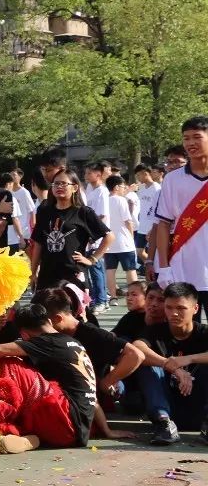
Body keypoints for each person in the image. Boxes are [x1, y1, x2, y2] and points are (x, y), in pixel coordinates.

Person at [0, 304, 97, 450]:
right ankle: (32, 439)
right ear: (48, 320)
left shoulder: (48, 342)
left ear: (24, 334)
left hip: (66, 422)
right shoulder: (71, 341)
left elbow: (0, 349)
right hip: (78, 431)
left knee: (8, 363)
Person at [31, 287, 142, 439]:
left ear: (56, 319)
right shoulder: (50, 336)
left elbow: (135, 355)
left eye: (43, 324)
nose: (41, 330)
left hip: (83, 405)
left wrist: (106, 381)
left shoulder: (92, 335)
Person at [134, 282, 208, 445]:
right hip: (167, 407)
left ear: (195, 309)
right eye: (169, 307)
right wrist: (170, 365)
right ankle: (164, 425)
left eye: (181, 308)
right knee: (146, 364)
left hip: (200, 406)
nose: (174, 313)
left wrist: (189, 359)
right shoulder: (156, 331)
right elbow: (137, 348)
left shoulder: (203, 332)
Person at [153, 116, 208, 318]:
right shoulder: (173, 179)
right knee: (184, 333)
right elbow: (163, 224)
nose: (191, 143)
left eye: (197, 137)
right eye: (186, 138)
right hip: (183, 271)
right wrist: (164, 267)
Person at [30, 170, 112, 293]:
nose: (59, 187)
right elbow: (38, 243)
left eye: (64, 184)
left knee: (74, 311)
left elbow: (109, 237)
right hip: (47, 274)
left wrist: (92, 259)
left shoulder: (84, 212)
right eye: (56, 184)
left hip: (73, 274)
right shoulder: (44, 211)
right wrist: (33, 272)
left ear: (74, 187)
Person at [82, 162, 113, 312]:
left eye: (89, 173)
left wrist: (93, 234)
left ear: (98, 175)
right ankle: (96, 298)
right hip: (89, 234)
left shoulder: (102, 191)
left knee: (96, 268)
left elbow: (102, 215)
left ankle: (102, 300)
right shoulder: (89, 189)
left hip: (97, 236)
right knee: (91, 269)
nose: (86, 176)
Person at [104, 175, 139, 299]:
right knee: (130, 270)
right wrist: (131, 236)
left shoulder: (104, 200)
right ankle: (134, 296)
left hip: (109, 242)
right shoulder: (121, 200)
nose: (124, 189)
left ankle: (113, 296)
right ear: (116, 187)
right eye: (123, 187)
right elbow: (128, 221)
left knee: (110, 270)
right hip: (124, 242)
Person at [133, 164, 160, 266]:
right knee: (139, 251)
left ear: (145, 174)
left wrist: (154, 226)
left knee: (155, 253)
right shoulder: (142, 188)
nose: (138, 178)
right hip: (142, 226)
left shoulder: (157, 188)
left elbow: (158, 209)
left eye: (139, 176)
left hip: (153, 226)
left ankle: (155, 272)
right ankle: (151, 268)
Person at [5, 168, 37, 254]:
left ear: (20, 176)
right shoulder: (8, 192)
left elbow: (32, 209)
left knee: (27, 255)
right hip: (12, 230)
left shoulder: (24, 192)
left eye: (14, 175)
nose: (12, 176)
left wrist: (33, 224)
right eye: (10, 174)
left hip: (24, 229)